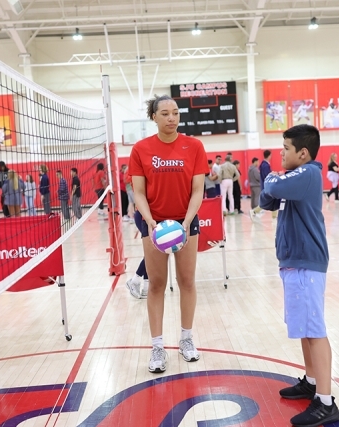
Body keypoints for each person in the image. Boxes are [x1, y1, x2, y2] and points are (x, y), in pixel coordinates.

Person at [260, 124, 339, 426]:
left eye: (285, 149)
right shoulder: (295, 177)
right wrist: (273, 182)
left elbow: (273, 187)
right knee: (305, 328)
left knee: (315, 330)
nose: (281, 153)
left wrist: (271, 177)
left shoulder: (308, 173)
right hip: (294, 262)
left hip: (306, 263)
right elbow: (266, 200)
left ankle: (325, 400)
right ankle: (311, 381)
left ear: (302, 153)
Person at [129, 94, 208, 373]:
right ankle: (157, 347)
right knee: (156, 284)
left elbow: (198, 190)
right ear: (154, 117)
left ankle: (186, 340)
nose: (171, 118)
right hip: (154, 224)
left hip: (186, 223)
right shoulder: (141, 149)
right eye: (165, 113)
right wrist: (149, 222)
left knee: (187, 281)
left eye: (175, 112)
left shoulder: (194, 146)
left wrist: (186, 222)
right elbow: (138, 192)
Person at [250, 150, 276, 219]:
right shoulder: (265, 165)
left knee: (269, 201)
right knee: (273, 199)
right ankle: (254, 211)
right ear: (269, 155)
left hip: (265, 185)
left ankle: (254, 211)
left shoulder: (263, 164)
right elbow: (267, 176)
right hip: (267, 186)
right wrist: (273, 175)